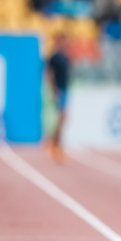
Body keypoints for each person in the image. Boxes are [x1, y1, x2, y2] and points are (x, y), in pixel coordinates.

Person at [46, 33, 71, 163]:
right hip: (60, 90)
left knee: (63, 118)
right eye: (63, 40)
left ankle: (55, 144)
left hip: (65, 90)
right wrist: (55, 90)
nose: (65, 43)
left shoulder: (65, 56)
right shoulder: (54, 57)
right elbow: (49, 74)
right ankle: (55, 145)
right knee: (62, 117)